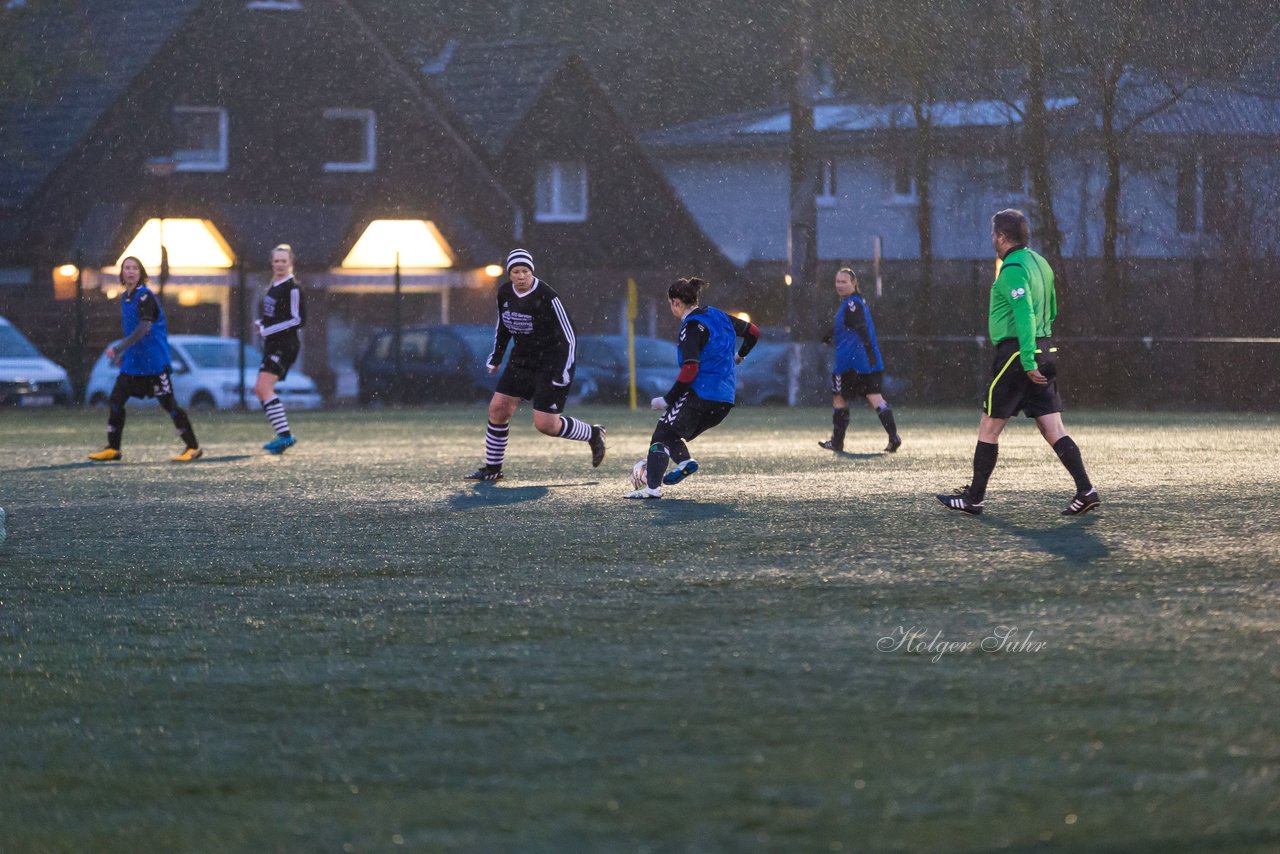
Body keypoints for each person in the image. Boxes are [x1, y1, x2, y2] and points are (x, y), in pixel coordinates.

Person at [936, 209, 1099, 516]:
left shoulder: (1011, 268)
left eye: (993, 234)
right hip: (1044, 347)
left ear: (1002, 236)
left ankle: (974, 499)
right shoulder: (1041, 263)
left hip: (1016, 355)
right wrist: (1042, 346)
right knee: (1053, 428)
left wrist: (1025, 358)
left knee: (989, 427)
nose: (992, 239)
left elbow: (1023, 312)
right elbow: (1051, 306)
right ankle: (1086, 489)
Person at [464, 248, 605, 482]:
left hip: (552, 362)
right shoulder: (505, 293)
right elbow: (504, 327)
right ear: (509, 274)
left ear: (532, 272)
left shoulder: (547, 296)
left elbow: (570, 335)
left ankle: (593, 433)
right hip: (521, 360)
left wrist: (565, 370)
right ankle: (492, 469)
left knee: (546, 424)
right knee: (498, 409)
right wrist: (497, 358)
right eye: (516, 271)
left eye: (525, 271)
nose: (521, 276)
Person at [626, 276, 760, 499]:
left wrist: (668, 399)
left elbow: (690, 369)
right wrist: (740, 354)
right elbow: (754, 332)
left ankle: (652, 489)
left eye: (670, 304)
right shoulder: (718, 315)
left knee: (661, 436)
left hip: (700, 395)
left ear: (676, 302)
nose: (671, 308)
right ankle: (685, 462)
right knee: (672, 435)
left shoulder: (690, 328)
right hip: (725, 401)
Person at [88, 256, 201, 462]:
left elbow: (144, 328)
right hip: (134, 365)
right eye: (126, 268)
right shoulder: (125, 298)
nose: (130, 272)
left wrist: (119, 348)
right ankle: (113, 448)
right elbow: (132, 330)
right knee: (116, 400)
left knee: (169, 405)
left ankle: (192, 447)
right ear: (121, 273)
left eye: (134, 268)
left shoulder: (144, 297)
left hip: (155, 364)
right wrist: (126, 354)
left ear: (141, 274)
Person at [819, 267, 902, 454]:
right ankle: (893, 437)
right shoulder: (856, 302)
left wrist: (865, 350)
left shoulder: (851, 304)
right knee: (876, 398)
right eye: (837, 281)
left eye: (844, 282)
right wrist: (830, 335)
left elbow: (860, 326)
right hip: (868, 361)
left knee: (839, 399)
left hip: (850, 363)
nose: (839, 285)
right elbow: (851, 327)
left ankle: (837, 442)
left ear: (854, 283)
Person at [255, 244, 305, 454]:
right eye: (276, 261)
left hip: (285, 345)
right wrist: (261, 324)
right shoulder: (274, 286)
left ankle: (285, 436)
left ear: (291, 262)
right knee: (261, 389)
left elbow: (297, 320)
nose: (280, 264)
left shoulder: (292, 288)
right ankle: (283, 436)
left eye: (284, 261)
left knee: (263, 388)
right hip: (274, 344)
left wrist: (268, 330)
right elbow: (274, 317)